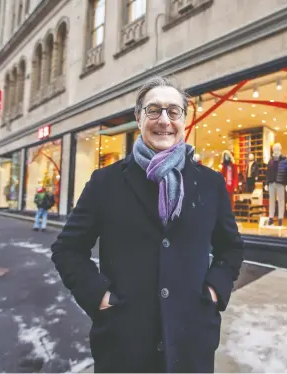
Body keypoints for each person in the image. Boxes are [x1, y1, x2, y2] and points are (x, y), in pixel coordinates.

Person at [51, 76, 244, 373]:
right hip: (124, 343)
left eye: (173, 111)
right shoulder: (106, 182)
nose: (164, 120)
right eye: (154, 110)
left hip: (191, 340)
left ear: (184, 119)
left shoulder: (210, 183)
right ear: (139, 118)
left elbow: (230, 248)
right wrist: (99, 297)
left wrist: (213, 293)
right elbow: (67, 249)